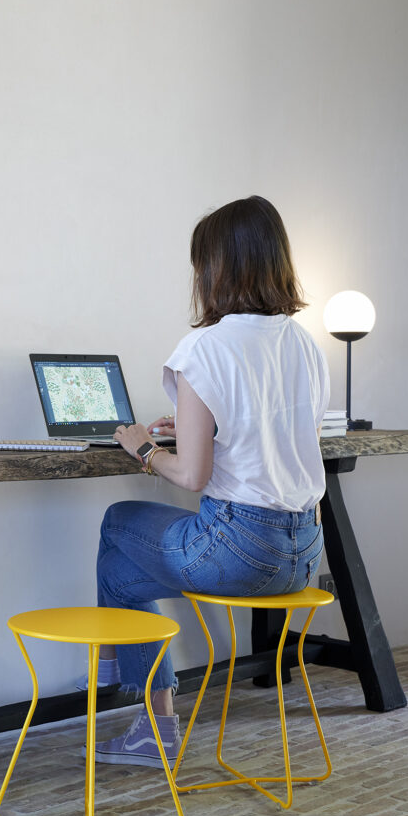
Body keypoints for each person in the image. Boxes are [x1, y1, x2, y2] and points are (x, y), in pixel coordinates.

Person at [84, 196, 329, 768]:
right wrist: (204, 427)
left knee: (119, 523)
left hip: (240, 550)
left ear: (215, 267)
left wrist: (141, 447)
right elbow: (276, 440)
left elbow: (191, 476)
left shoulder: (204, 347)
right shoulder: (306, 345)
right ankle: (145, 713)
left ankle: (129, 686)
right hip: (304, 555)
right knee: (124, 572)